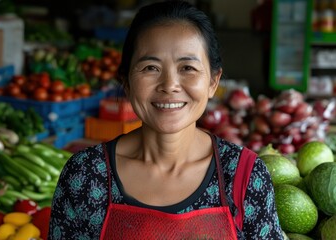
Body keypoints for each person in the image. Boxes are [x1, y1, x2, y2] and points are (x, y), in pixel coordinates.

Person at [49, 1, 284, 239]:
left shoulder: (244, 176)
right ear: (127, 82)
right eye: (151, 67)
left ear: (213, 81)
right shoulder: (85, 175)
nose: (169, 85)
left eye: (188, 68)